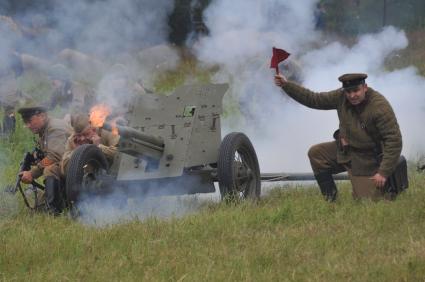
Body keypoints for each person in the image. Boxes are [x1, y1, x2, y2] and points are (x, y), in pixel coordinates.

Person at [274, 72, 402, 201]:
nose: (352, 95)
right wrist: (287, 85)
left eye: (356, 90)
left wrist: (383, 173)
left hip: (369, 160)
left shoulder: (379, 106)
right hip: (346, 152)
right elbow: (314, 99)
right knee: (317, 153)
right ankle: (331, 200)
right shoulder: (341, 97)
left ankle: (385, 191)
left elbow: (394, 140)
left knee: (367, 204)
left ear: (365, 87)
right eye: (348, 91)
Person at [18, 104, 72, 214]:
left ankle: (52, 210)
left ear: (42, 116)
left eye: (30, 121)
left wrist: (32, 173)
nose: (28, 125)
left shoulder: (54, 128)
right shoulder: (46, 128)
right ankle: (56, 202)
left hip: (77, 166)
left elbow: (54, 156)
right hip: (68, 163)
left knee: (50, 169)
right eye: (25, 122)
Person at [61, 113, 119, 177]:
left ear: (94, 128)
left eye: (86, 134)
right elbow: (63, 170)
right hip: (86, 176)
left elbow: (119, 154)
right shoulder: (73, 139)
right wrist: (76, 152)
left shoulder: (110, 131)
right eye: (79, 135)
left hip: (111, 173)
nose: (82, 138)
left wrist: (98, 147)